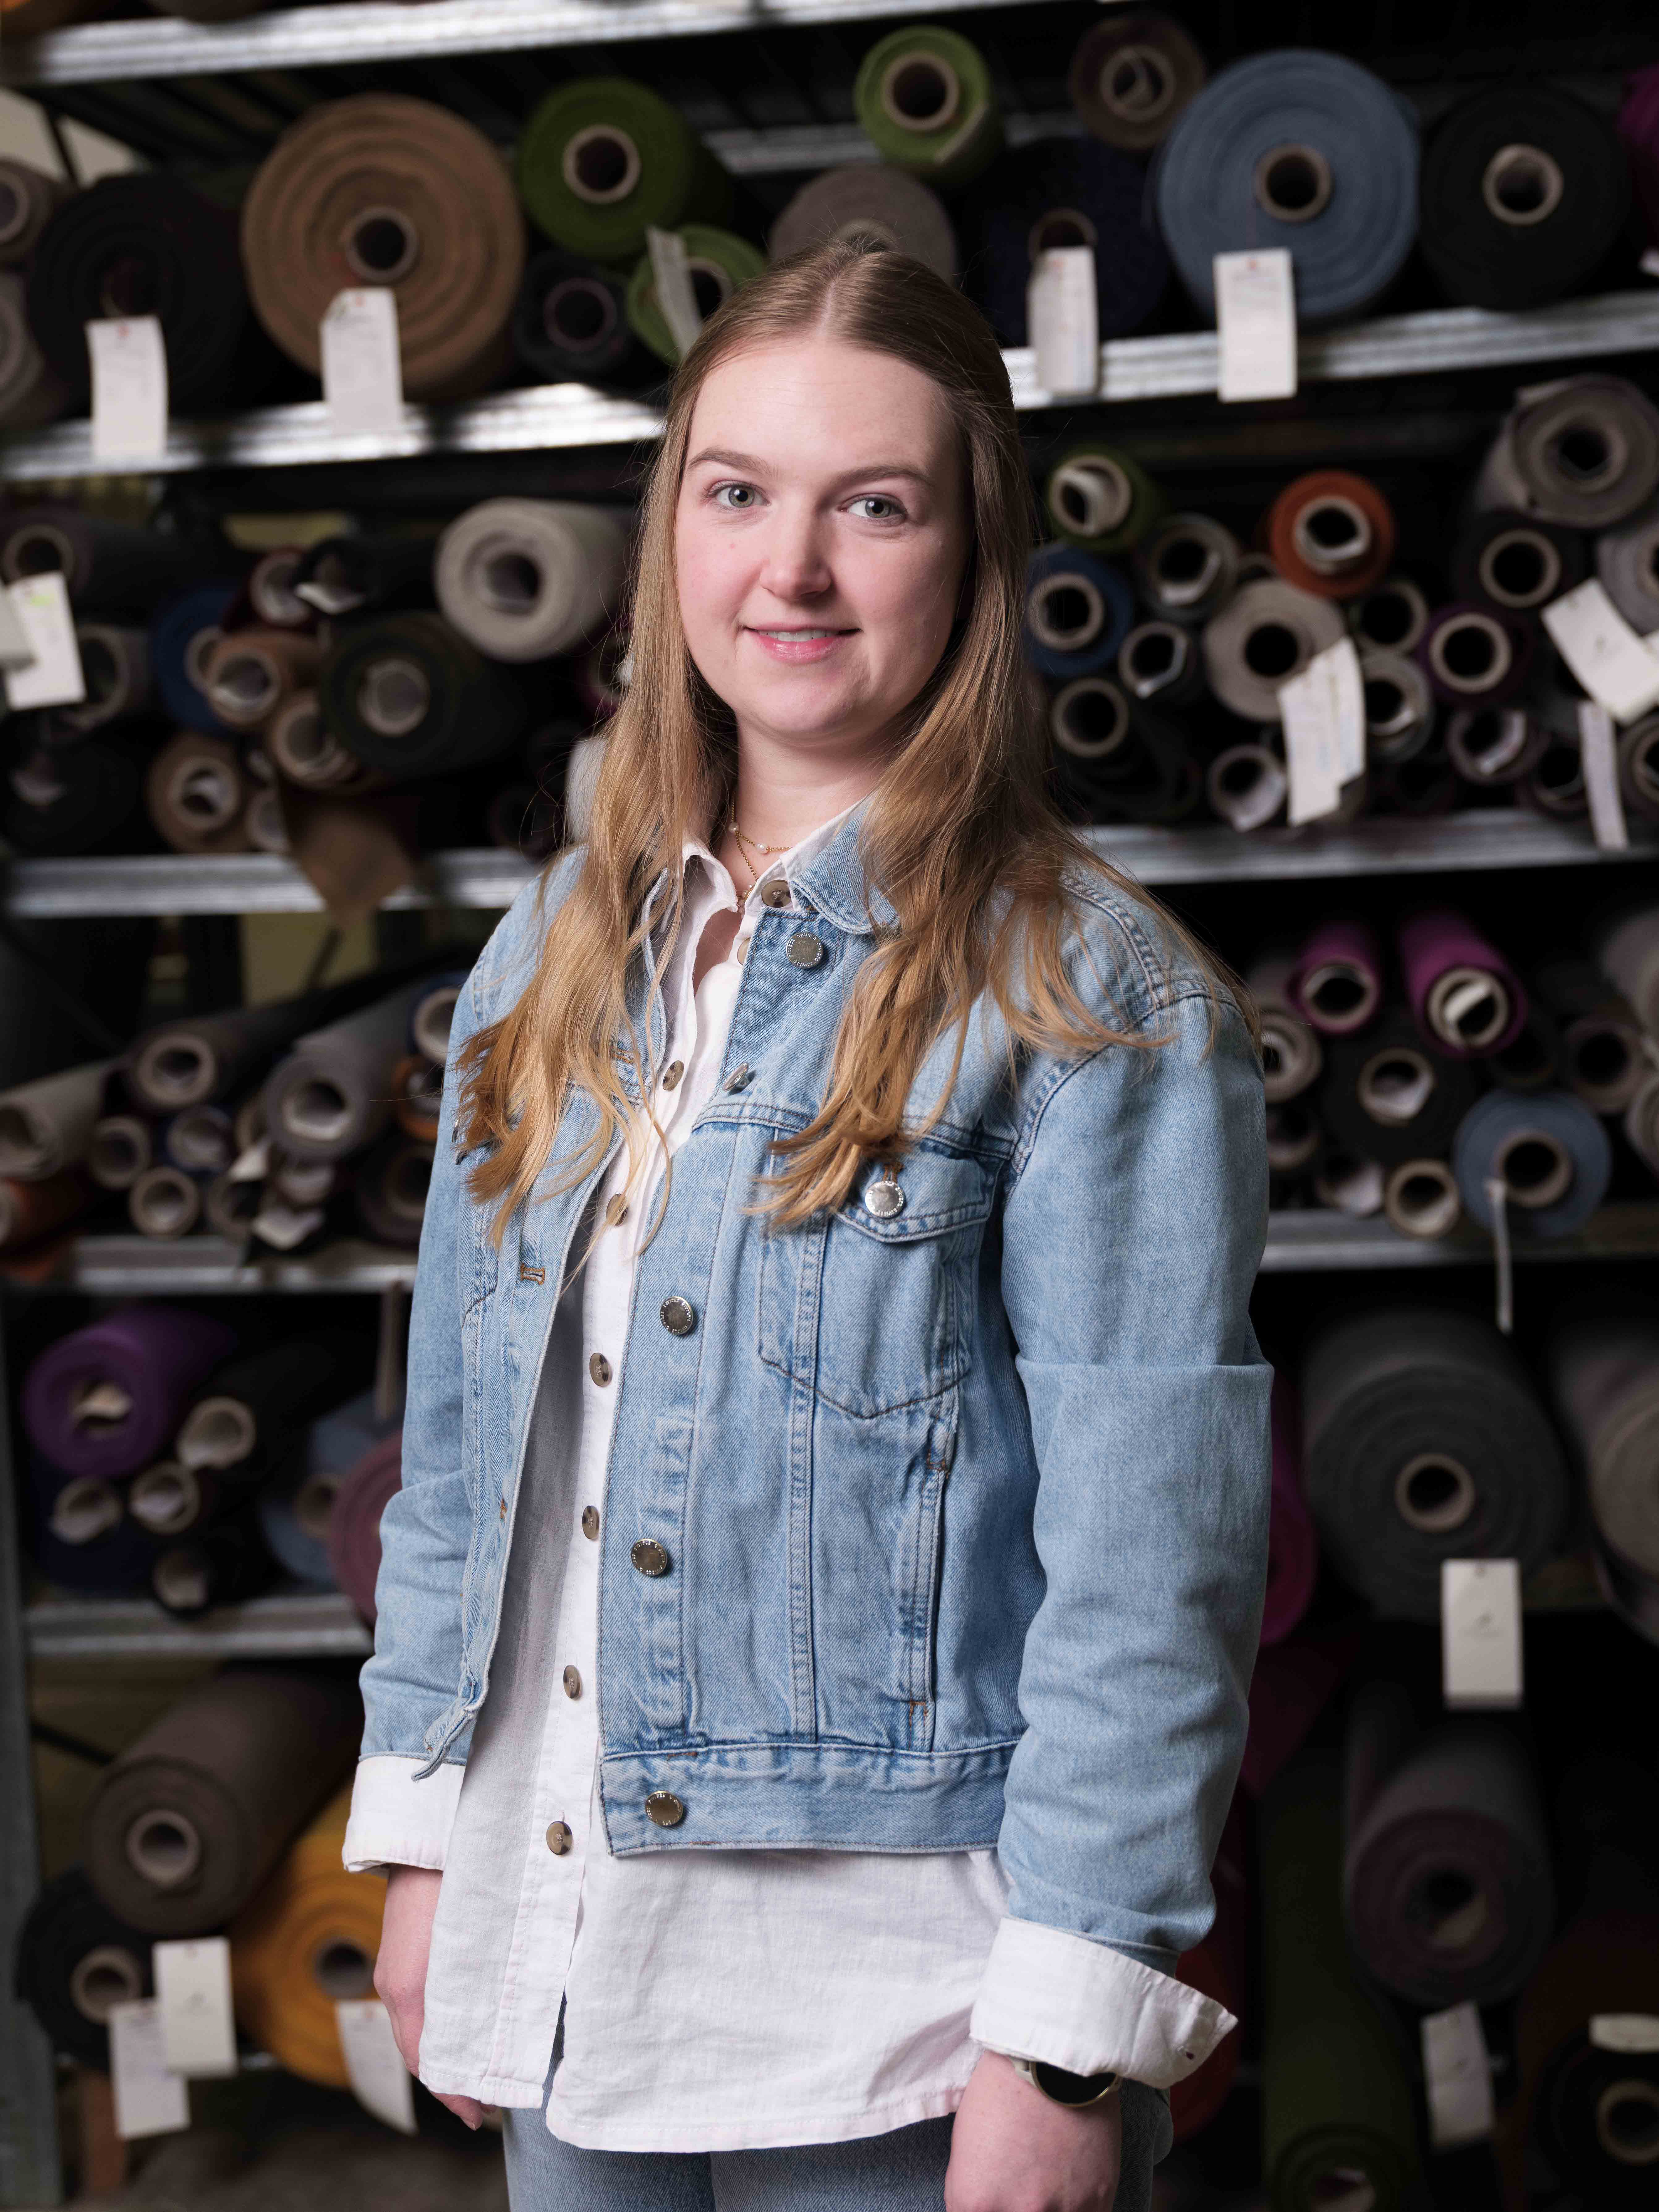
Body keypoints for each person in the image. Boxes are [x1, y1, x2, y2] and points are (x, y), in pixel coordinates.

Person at [344, 235, 1271, 2212]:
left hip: (894, 2013)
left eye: (874, 506)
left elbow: (1149, 1569)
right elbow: (465, 1461)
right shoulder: (550, 954)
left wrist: (1063, 2037)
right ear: (669, 531)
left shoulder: (1091, 1001)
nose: (792, 570)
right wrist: (425, 1848)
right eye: (737, 492)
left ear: (971, 551)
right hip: (562, 1952)